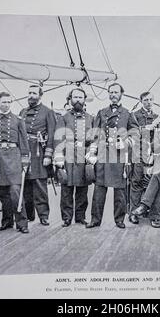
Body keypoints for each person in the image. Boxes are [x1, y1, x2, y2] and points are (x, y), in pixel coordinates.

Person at [85, 83, 138, 229]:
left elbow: (135, 132)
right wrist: (92, 152)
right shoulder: (101, 113)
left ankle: (119, 220)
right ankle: (95, 220)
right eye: (111, 92)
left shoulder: (128, 114)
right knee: (99, 189)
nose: (113, 95)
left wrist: (126, 142)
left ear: (122, 94)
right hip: (103, 155)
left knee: (120, 190)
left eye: (116, 92)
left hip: (119, 156)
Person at [0, 92, 30, 233]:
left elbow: (24, 142)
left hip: (14, 157)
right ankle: (7, 221)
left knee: (16, 191)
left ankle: (22, 224)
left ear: (11, 103)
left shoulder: (18, 120)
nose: (6, 104)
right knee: (3, 193)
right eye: (3, 102)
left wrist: (25, 161)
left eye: (9, 102)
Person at [54, 88, 94, 227]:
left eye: (80, 97)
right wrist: (59, 157)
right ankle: (66, 217)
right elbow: (58, 138)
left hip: (83, 156)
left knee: (83, 189)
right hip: (68, 156)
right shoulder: (63, 118)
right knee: (67, 188)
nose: (78, 100)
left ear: (84, 99)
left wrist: (91, 153)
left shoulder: (90, 118)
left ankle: (80, 217)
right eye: (75, 97)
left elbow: (94, 138)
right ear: (71, 99)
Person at [19, 85, 56, 226]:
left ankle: (43, 215)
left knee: (40, 185)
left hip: (39, 151)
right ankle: (29, 215)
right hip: (24, 151)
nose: (31, 95)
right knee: (26, 183)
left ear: (40, 95)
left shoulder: (48, 112)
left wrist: (48, 155)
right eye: (29, 93)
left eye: (34, 93)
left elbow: (52, 135)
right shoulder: (22, 112)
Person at [128, 92, 160, 225]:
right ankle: (134, 213)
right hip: (138, 153)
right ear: (141, 101)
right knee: (136, 183)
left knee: (153, 184)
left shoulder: (158, 117)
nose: (148, 102)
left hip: (154, 154)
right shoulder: (134, 115)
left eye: (151, 99)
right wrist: (146, 128)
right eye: (145, 100)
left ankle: (154, 216)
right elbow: (132, 132)